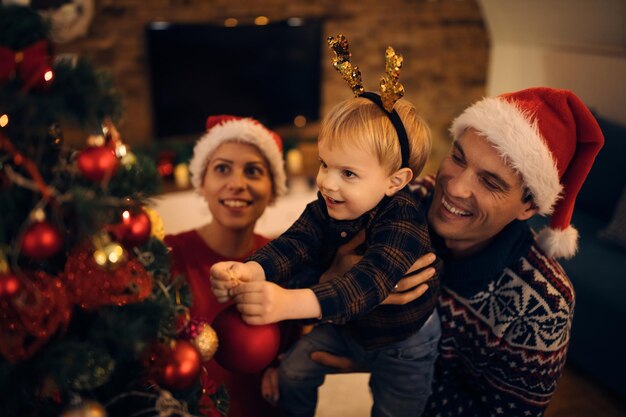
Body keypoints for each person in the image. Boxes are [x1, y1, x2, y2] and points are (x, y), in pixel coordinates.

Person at [311, 87, 605, 417]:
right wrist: (330, 275)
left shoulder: (544, 304)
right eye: (458, 157)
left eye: (491, 182)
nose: (453, 186)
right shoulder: (409, 201)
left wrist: (392, 367)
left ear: (529, 206)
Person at [211, 82, 443, 417]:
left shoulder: (403, 222)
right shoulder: (328, 204)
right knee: (293, 372)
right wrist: (250, 269)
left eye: (348, 173)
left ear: (395, 181)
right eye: (324, 164)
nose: (327, 183)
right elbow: (296, 242)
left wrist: (289, 303)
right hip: (348, 328)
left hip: (404, 344)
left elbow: (366, 283)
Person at [164, 114, 296, 417]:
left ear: (273, 188)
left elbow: (298, 342)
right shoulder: (167, 255)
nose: (237, 184)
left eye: (253, 171)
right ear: (202, 183)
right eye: (222, 169)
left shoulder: (286, 258)